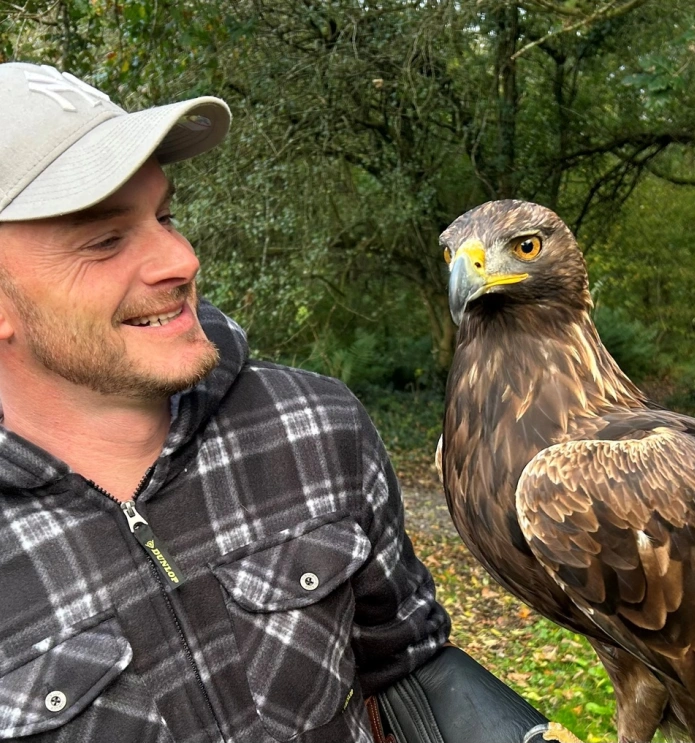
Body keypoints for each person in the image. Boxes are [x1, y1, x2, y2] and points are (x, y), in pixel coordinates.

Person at [0, 62, 565, 743]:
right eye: (105, 240)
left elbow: (408, 664)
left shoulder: (313, 425)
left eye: (165, 215)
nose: (180, 259)